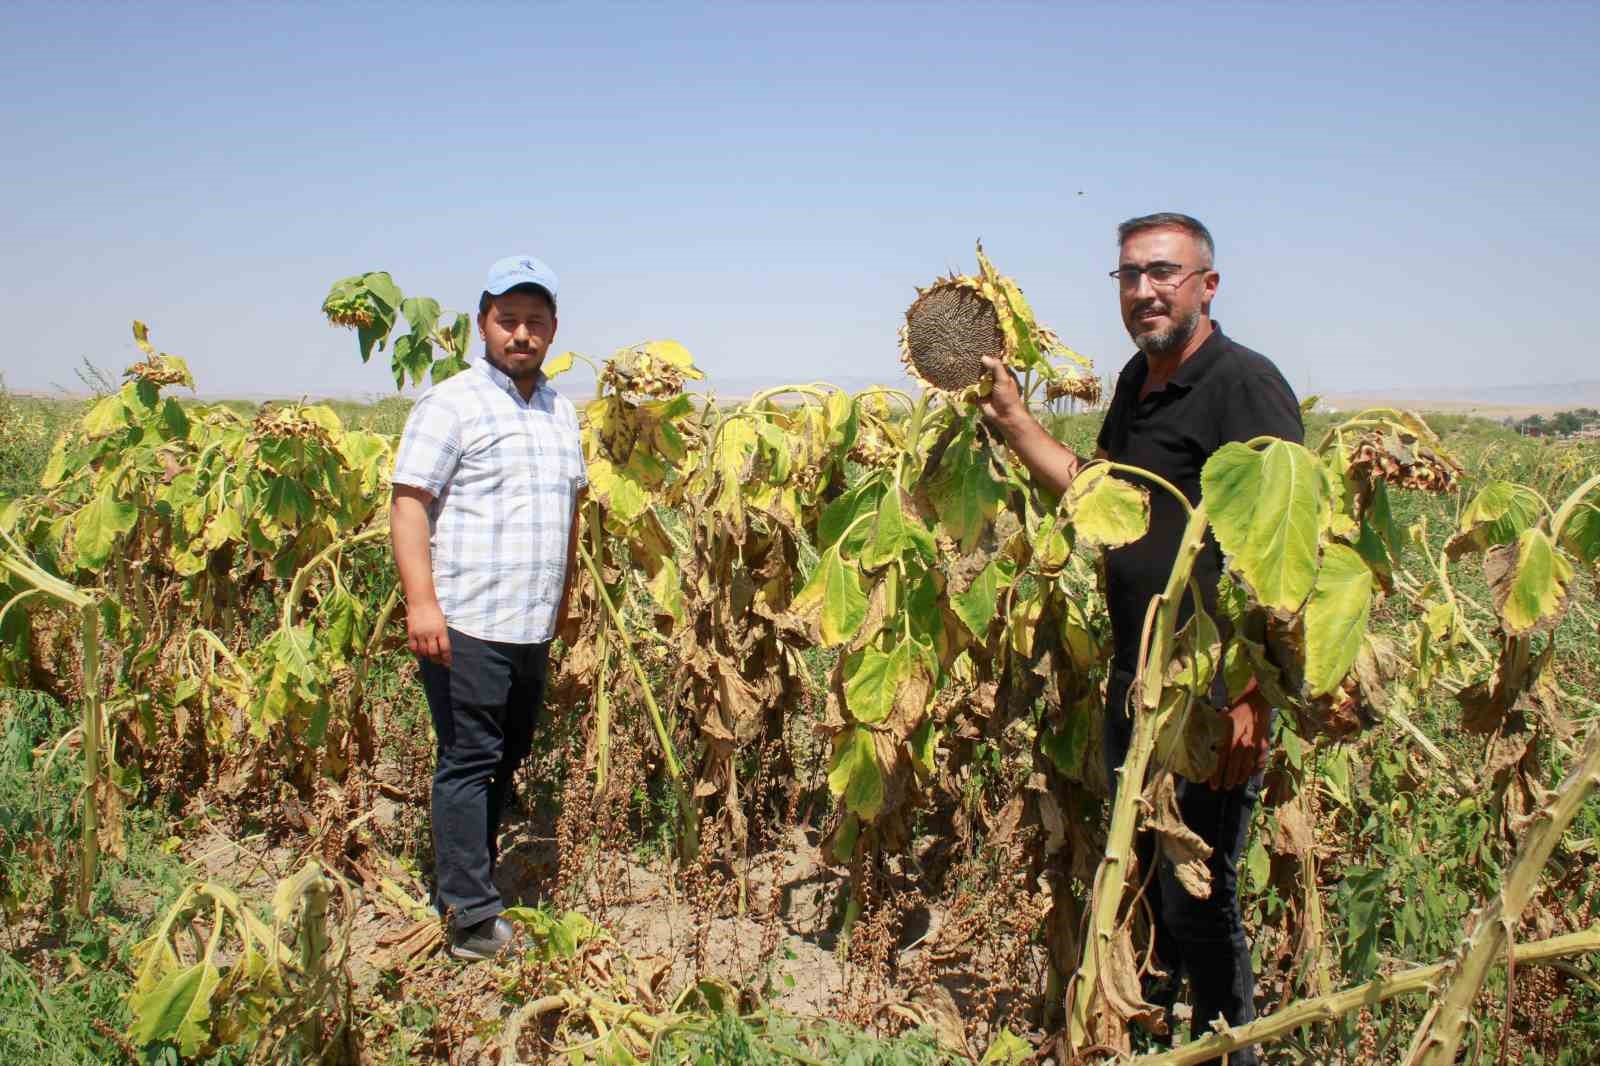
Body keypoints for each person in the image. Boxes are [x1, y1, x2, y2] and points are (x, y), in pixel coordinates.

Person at [979, 213, 1301, 1062]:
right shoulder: (1135, 380)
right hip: (1137, 679)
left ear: (1208, 285)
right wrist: (1016, 423)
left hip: (1206, 695)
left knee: (1199, 893)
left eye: (1163, 272)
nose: (1144, 290)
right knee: (1146, 889)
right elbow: (1100, 496)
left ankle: (1231, 1051)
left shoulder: (1245, 385)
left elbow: (1283, 552)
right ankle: (1150, 1039)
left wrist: (1251, 696)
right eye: (1129, 275)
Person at [390, 255, 587, 961]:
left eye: (535, 321)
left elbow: (571, 510)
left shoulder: (562, 411)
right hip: (467, 619)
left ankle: (474, 870)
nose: (522, 334)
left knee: (510, 752)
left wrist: (564, 600)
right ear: (483, 324)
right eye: (508, 320)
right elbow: (409, 503)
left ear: (554, 329)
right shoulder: (451, 404)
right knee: (470, 758)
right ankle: (470, 917)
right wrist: (422, 605)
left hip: (530, 621)